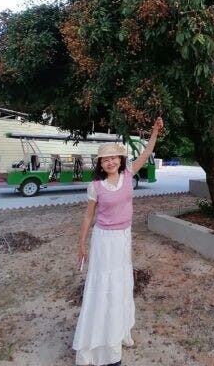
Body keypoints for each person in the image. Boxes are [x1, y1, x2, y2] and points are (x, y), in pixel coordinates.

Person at [73, 117, 164, 366]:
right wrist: (81, 244)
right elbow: (88, 216)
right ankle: (103, 346)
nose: (111, 161)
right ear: (100, 164)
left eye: (114, 157)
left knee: (121, 283)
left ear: (120, 160)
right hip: (104, 240)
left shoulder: (128, 174)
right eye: (106, 159)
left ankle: (119, 331)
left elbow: (147, 151)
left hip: (123, 239)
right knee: (103, 285)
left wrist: (154, 131)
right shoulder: (95, 186)